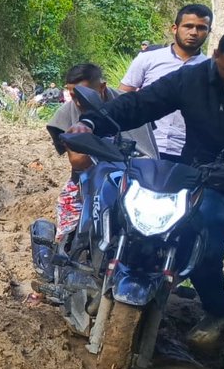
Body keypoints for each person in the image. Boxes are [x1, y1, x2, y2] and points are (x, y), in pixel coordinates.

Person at [68, 28, 224, 351]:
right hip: (191, 172)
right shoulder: (192, 79)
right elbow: (140, 103)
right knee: (132, 218)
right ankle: (111, 281)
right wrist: (91, 124)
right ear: (216, 57)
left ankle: (218, 311)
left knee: (205, 247)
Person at [45, 63, 157, 243]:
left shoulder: (131, 105)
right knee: (69, 210)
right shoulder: (66, 113)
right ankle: (64, 252)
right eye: (73, 96)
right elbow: (77, 161)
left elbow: (149, 145)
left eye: (85, 95)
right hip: (88, 179)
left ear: (102, 87)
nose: (79, 103)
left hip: (139, 176)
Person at [120, 4, 213, 161]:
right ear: (175, 28)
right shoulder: (147, 59)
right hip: (143, 148)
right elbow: (122, 98)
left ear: (208, 32)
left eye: (201, 28)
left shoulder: (211, 70)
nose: (194, 32)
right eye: (188, 26)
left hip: (187, 153)